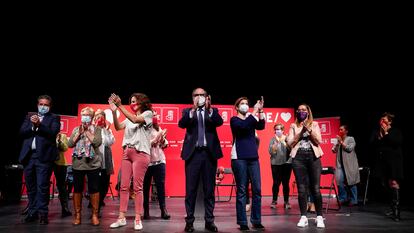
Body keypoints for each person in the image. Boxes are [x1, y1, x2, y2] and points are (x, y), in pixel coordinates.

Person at [178, 88, 223, 232]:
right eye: (196, 95)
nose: (199, 97)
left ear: (207, 97)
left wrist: (209, 109)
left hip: (209, 155)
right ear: (193, 98)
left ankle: (209, 221)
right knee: (190, 190)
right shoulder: (187, 111)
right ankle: (189, 221)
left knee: (209, 190)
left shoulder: (213, 111)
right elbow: (182, 124)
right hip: (193, 155)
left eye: (202, 95)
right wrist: (193, 109)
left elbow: (219, 122)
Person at [108, 93, 153, 231]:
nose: (132, 104)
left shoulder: (148, 114)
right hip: (127, 152)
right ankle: (121, 218)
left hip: (140, 154)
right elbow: (117, 127)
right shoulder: (128, 118)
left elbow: (134, 119)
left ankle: (138, 219)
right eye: (131, 102)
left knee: (138, 188)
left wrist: (120, 105)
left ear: (142, 102)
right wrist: (115, 112)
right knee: (123, 186)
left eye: (135, 101)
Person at [19, 95, 60, 225]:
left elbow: (53, 132)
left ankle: (43, 214)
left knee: (42, 186)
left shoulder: (53, 118)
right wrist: (32, 126)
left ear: (50, 106)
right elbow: (22, 132)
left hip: (43, 158)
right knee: (31, 187)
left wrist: (39, 125)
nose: (43, 107)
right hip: (29, 157)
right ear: (37, 105)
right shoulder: (29, 116)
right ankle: (32, 212)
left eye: (46, 105)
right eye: (41, 104)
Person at [230, 96, 265, 231]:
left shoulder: (251, 118)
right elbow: (243, 127)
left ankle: (256, 220)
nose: (245, 105)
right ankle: (243, 222)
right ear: (237, 107)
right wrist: (255, 111)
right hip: (239, 158)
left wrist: (260, 111)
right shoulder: (234, 120)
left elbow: (261, 125)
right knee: (242, 190)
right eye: (242, 103)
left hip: (253, 158)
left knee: (257, 190)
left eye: (246, 103)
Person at [287, 103, 325, 228]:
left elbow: (318, 141)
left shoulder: (314, 124)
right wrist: (301, 132)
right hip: (298, 158)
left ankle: (319, 217)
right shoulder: (293, 125)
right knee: (302, 189)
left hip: (313, 157)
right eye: (299, 110)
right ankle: (303, 217)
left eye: (303, 110)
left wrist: (308, 131)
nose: (301, 111)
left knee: (315, 188)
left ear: (308, 112)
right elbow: (290, 143)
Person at [68, 106, 102, 226]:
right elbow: (70, 144)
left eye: (87, 115)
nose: (85, 117)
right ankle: (77, 215)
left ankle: (94, 214)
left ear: (92, 117)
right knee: (77, 189)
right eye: (83, 115)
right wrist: (79, 133)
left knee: (94, 189)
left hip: (93, 163)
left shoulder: (97, 129)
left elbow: (97, 142)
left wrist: (87, 131)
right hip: (78, 163)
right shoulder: (76, 129)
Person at [370, 112, 403, 221]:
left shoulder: (395, 132)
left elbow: (396, 142)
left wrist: (386, 133)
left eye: (385, 120)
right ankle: (393, 208)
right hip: (383, 163)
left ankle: (397, 212)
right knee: (386, 184)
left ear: (390, 121)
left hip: (393, 162)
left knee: (394, 183)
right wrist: (380, 134)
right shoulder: (378, 132)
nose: (382, 122)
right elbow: (372, 144)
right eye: (382, 120)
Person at [143, 115, 171, 220]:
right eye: (152, 115)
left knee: (160, 186)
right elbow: (144, 144)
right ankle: (146, 210)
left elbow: (164, 145)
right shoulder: (143, 129)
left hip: (160, 161)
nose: (153, 117)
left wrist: (162, 139)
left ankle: (163, 210)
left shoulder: (158, 128)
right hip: (147, 162)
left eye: (155, 116)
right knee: (145, 187)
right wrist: (156, 138)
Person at [332, 125, 360, 207]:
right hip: (340, 165)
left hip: (349, 165)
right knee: (340, 183)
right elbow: (333, 150)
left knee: (351, 182)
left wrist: (341, 142)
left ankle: (354, 200)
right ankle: (343, 198)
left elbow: (349, 148)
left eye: (342, 129)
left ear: (346, 131)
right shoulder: (339, 141)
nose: (340, 131)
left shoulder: (350, 139)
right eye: (339, 129)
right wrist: (337, 144)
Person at [93, 109, 115, 209]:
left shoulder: (107, 130)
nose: (99, 118)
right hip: (94, 160)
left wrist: (106, 131)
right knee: (94, 183)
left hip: (105, 160)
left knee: (105, 183)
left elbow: (110, 142)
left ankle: (100, 200)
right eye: (97, 116)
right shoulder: (91, 129)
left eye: (101, 116)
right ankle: (94, 201)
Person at [268, 123, 292, 209]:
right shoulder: (272, 140)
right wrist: (275, 145)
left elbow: (291, 150)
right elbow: (271, 152)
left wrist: (285, 143)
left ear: (283, 130)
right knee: (276, 183)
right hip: (275, 164)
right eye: (276, 129)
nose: (277, 131)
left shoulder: (287, 139)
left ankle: (286, 201)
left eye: (279, 129)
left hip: (287, 163)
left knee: (286, 183)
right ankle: (274, 201)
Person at [54, 132, 72, 217]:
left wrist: (59, 141)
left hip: (60, 163)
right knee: (42, 184)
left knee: (62, 186)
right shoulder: (45, 134)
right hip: (47, 162)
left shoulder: (62, 135)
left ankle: (65, 208)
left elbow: (65, 148)